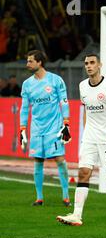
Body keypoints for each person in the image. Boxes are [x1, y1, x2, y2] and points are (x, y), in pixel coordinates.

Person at [56, 53, 106, 226]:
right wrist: (85, 132)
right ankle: (77, 215)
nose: (88, 66)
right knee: (83, 172)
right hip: (90, 137)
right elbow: (86, 111)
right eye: (86, 63)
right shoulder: (83, 85)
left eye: (92, 63)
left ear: (99, 65)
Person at [19, 50, 71, 206]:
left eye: (30, 61)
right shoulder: (27, 84)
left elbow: (64, 102)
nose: (27, 64)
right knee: (38, 160)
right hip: (36, 129)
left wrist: (66, 124)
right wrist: (22, 129)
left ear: (39, 62)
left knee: (60, 159)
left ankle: (66, 196)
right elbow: (24, 108)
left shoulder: (56, 80)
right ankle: (39, 197)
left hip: (54, 128)